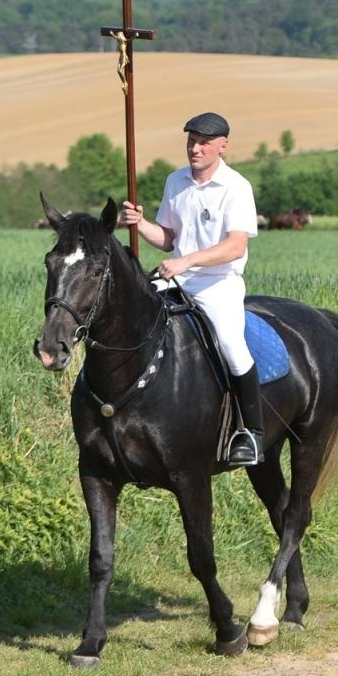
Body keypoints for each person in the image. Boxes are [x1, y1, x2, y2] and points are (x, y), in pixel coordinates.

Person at [119, 111, 265, 467]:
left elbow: (235, 247)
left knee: (232, 344)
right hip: (175, 276)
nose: (195, 149)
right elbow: (169, 239)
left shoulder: (236, 187)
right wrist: (141, 225)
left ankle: (252, 433)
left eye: (203, 142)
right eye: (191, 141)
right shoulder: (176, 181)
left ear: (222, 146)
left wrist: (188, 262)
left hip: (218, 283)